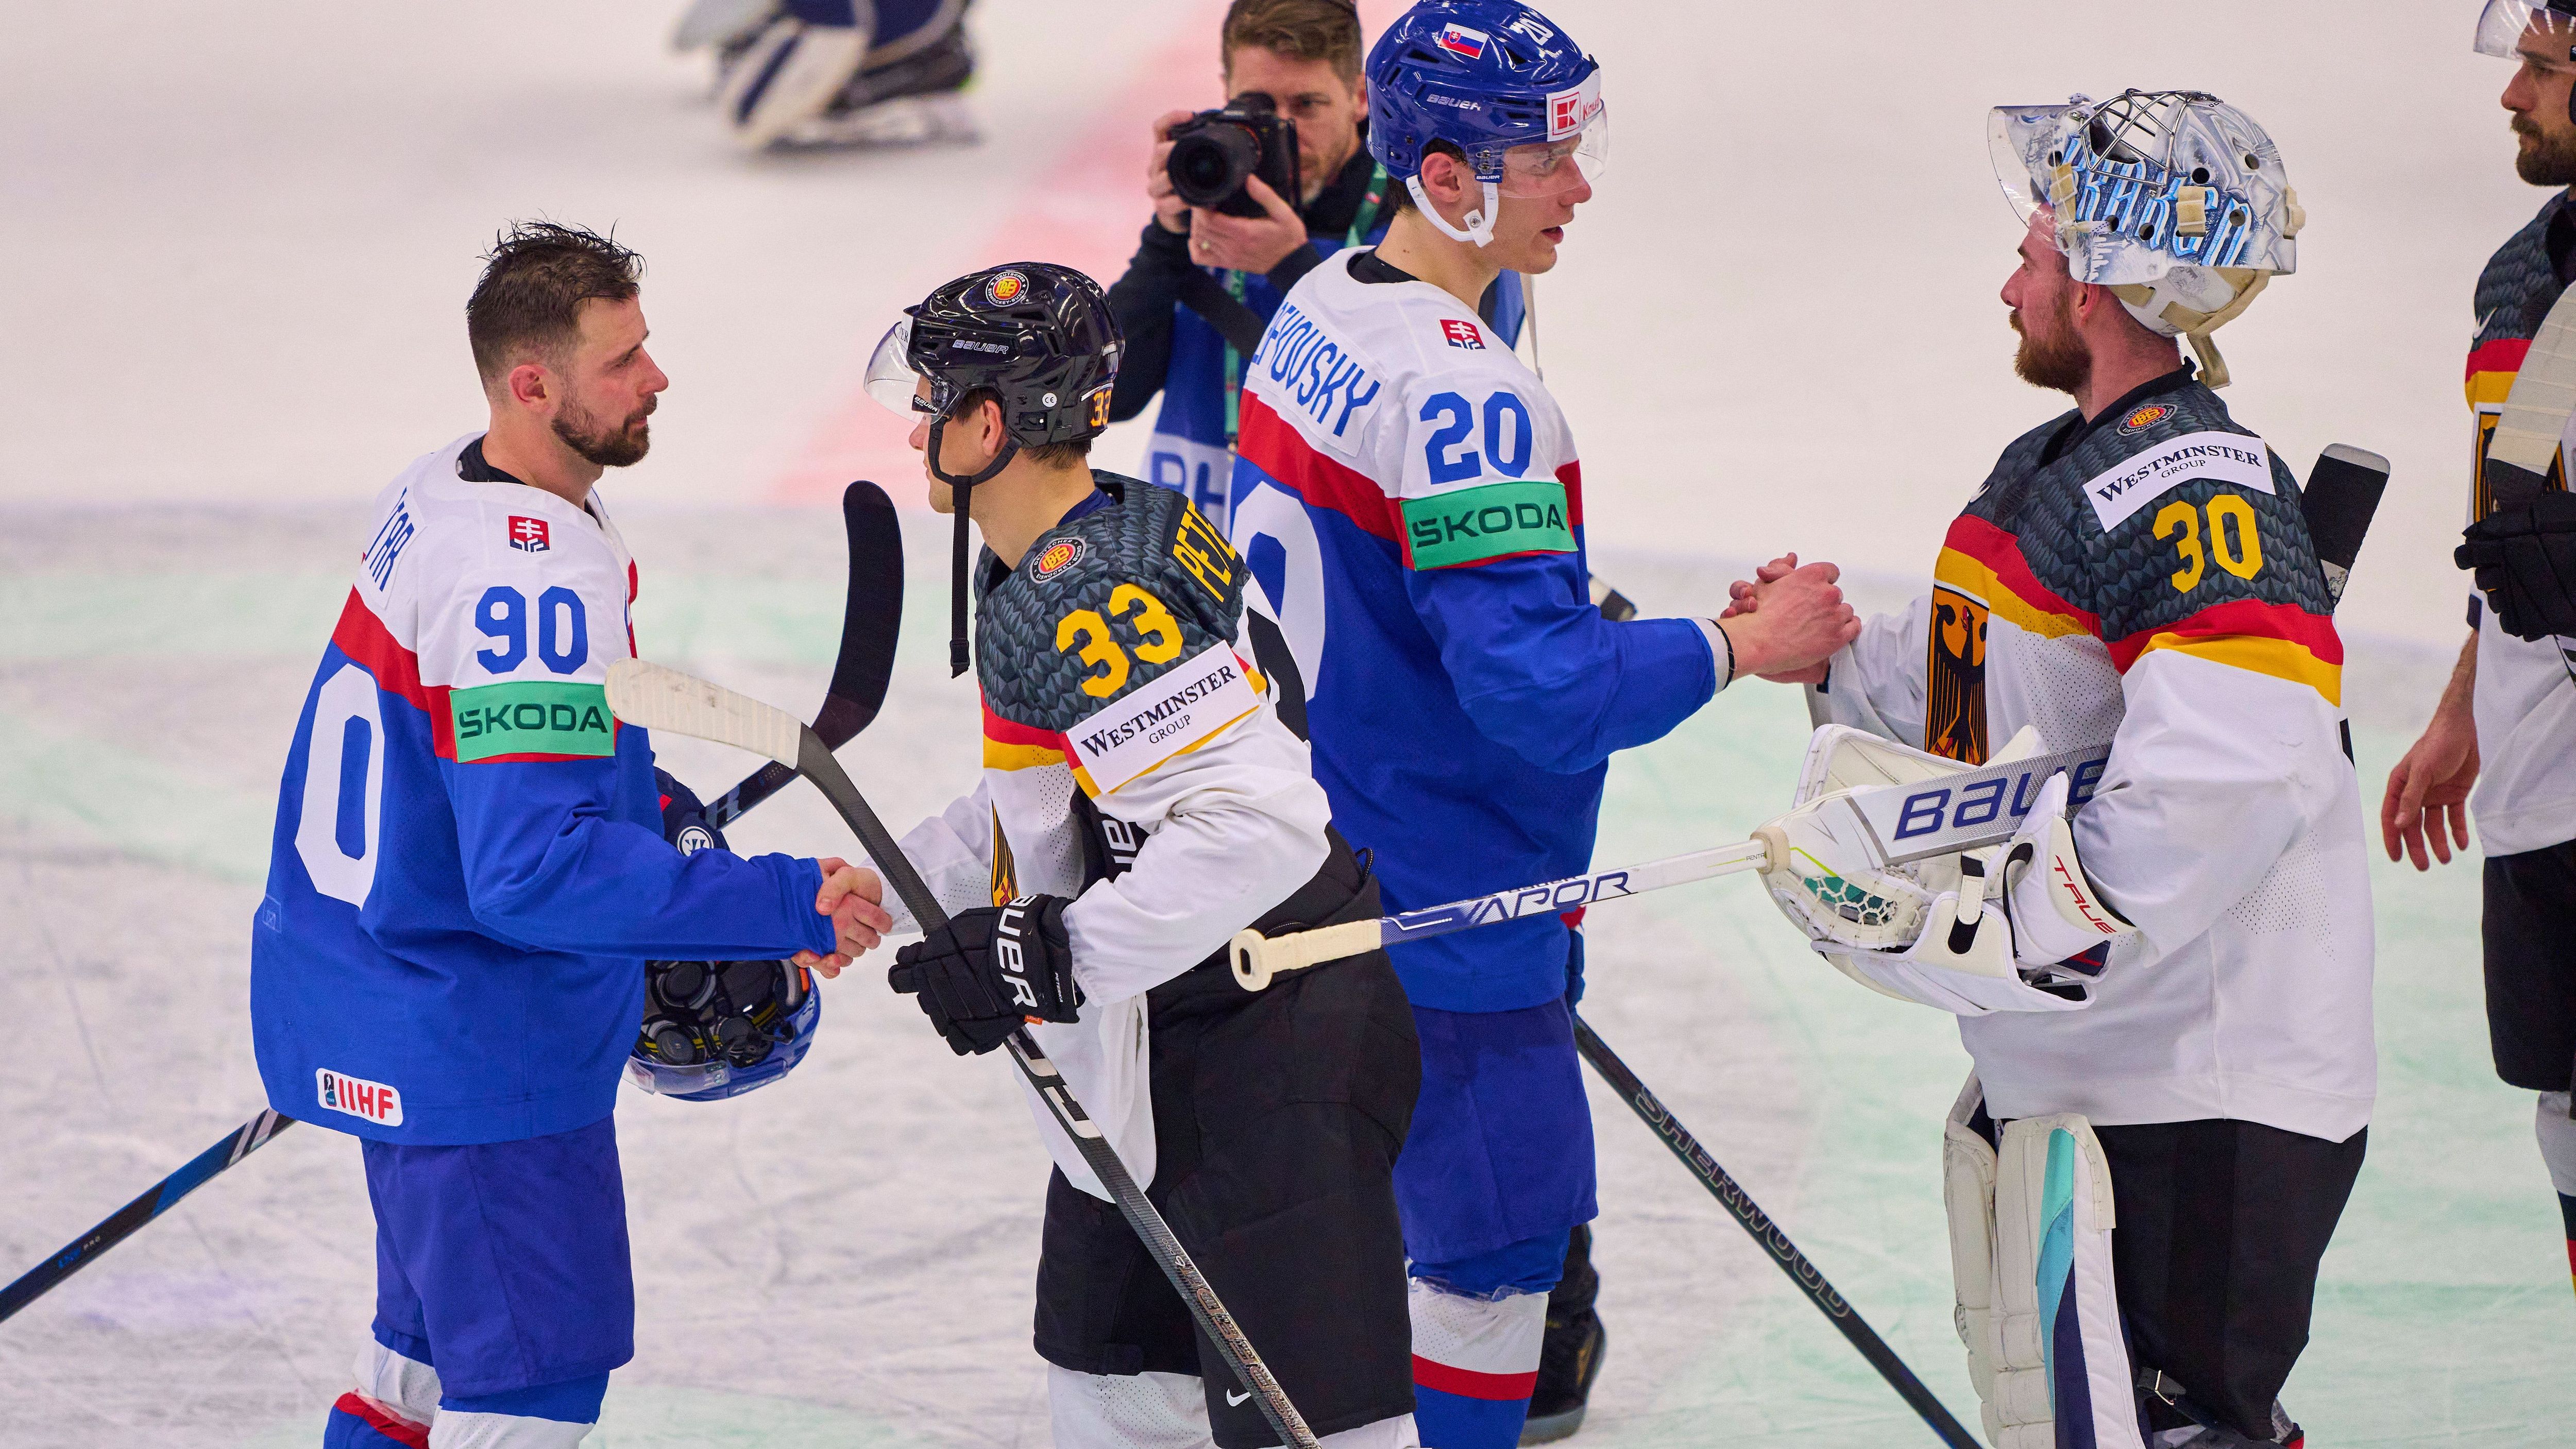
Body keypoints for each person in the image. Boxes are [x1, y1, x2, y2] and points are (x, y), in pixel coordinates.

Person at [1222, 6, 1859, 1447]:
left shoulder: (1318, 306)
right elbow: (1544, 696)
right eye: (1546, 157)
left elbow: (1431, 609)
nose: (1579, 187)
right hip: (1457, 914)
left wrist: (1595, 620)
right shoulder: (1463, 393)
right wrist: (1740, 644)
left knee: (1350, 1268)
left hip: (1315, 881)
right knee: (1495, 1273)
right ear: (1447, 179)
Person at [1742, 91, 2369, 1448]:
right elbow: (1998, 698)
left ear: (2094, 275)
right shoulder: (2061, 461)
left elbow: (2228, 788)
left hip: (2203, 1087)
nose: (2009, 280)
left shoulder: (2196, 493)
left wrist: (1978, 924)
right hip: (2097, 1068)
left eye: (2033, 246)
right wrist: (1845, 665)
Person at [250, 221, 891, 1449]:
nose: (657, 378)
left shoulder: (447, 486)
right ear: (532, 384)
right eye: (623, 359)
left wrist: (656, 824)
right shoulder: (529, 572)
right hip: (479, 1046)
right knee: (529, 1395)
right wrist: (778, 901)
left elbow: (484, 765)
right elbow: (533, 870)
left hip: (381, 995)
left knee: (413, 1369)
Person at [853, 262, 1425, 1449]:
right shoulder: (1060, 547)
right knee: (1109, 1391)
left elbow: (1260, 826)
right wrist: (872, 892)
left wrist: (1042, 958)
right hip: (1155, 1052)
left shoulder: (1095, 582)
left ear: (989, 422)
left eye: (932, 399)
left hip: (1272, 1051)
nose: (917, 425)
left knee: (1326, 1430)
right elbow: (1053, 797)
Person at [2385, 0, 2576, 1302]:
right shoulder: (2529, 274)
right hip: (2533, 784)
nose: (2513, 95)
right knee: (2562, 1106)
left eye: (2542, 68)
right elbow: (2513, 516)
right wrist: (2466, 701)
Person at [1107, 0, 1524, 535]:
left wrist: (1293, 268)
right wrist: (1164, 239)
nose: (1282, 131)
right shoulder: (1211, 202)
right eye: (1255, 103)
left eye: (1306, 104)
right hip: (1195, 569)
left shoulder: (1431, 221)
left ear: (1358, 97)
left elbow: (1451, 414)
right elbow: (1108, 399)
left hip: (1337, 574)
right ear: (1224, 89)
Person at [678, 0, 978, 150]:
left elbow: (749, 121)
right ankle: (932, 62)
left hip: (887, 33)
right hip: (919, 31)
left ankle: (916, 72)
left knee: (754, 115)